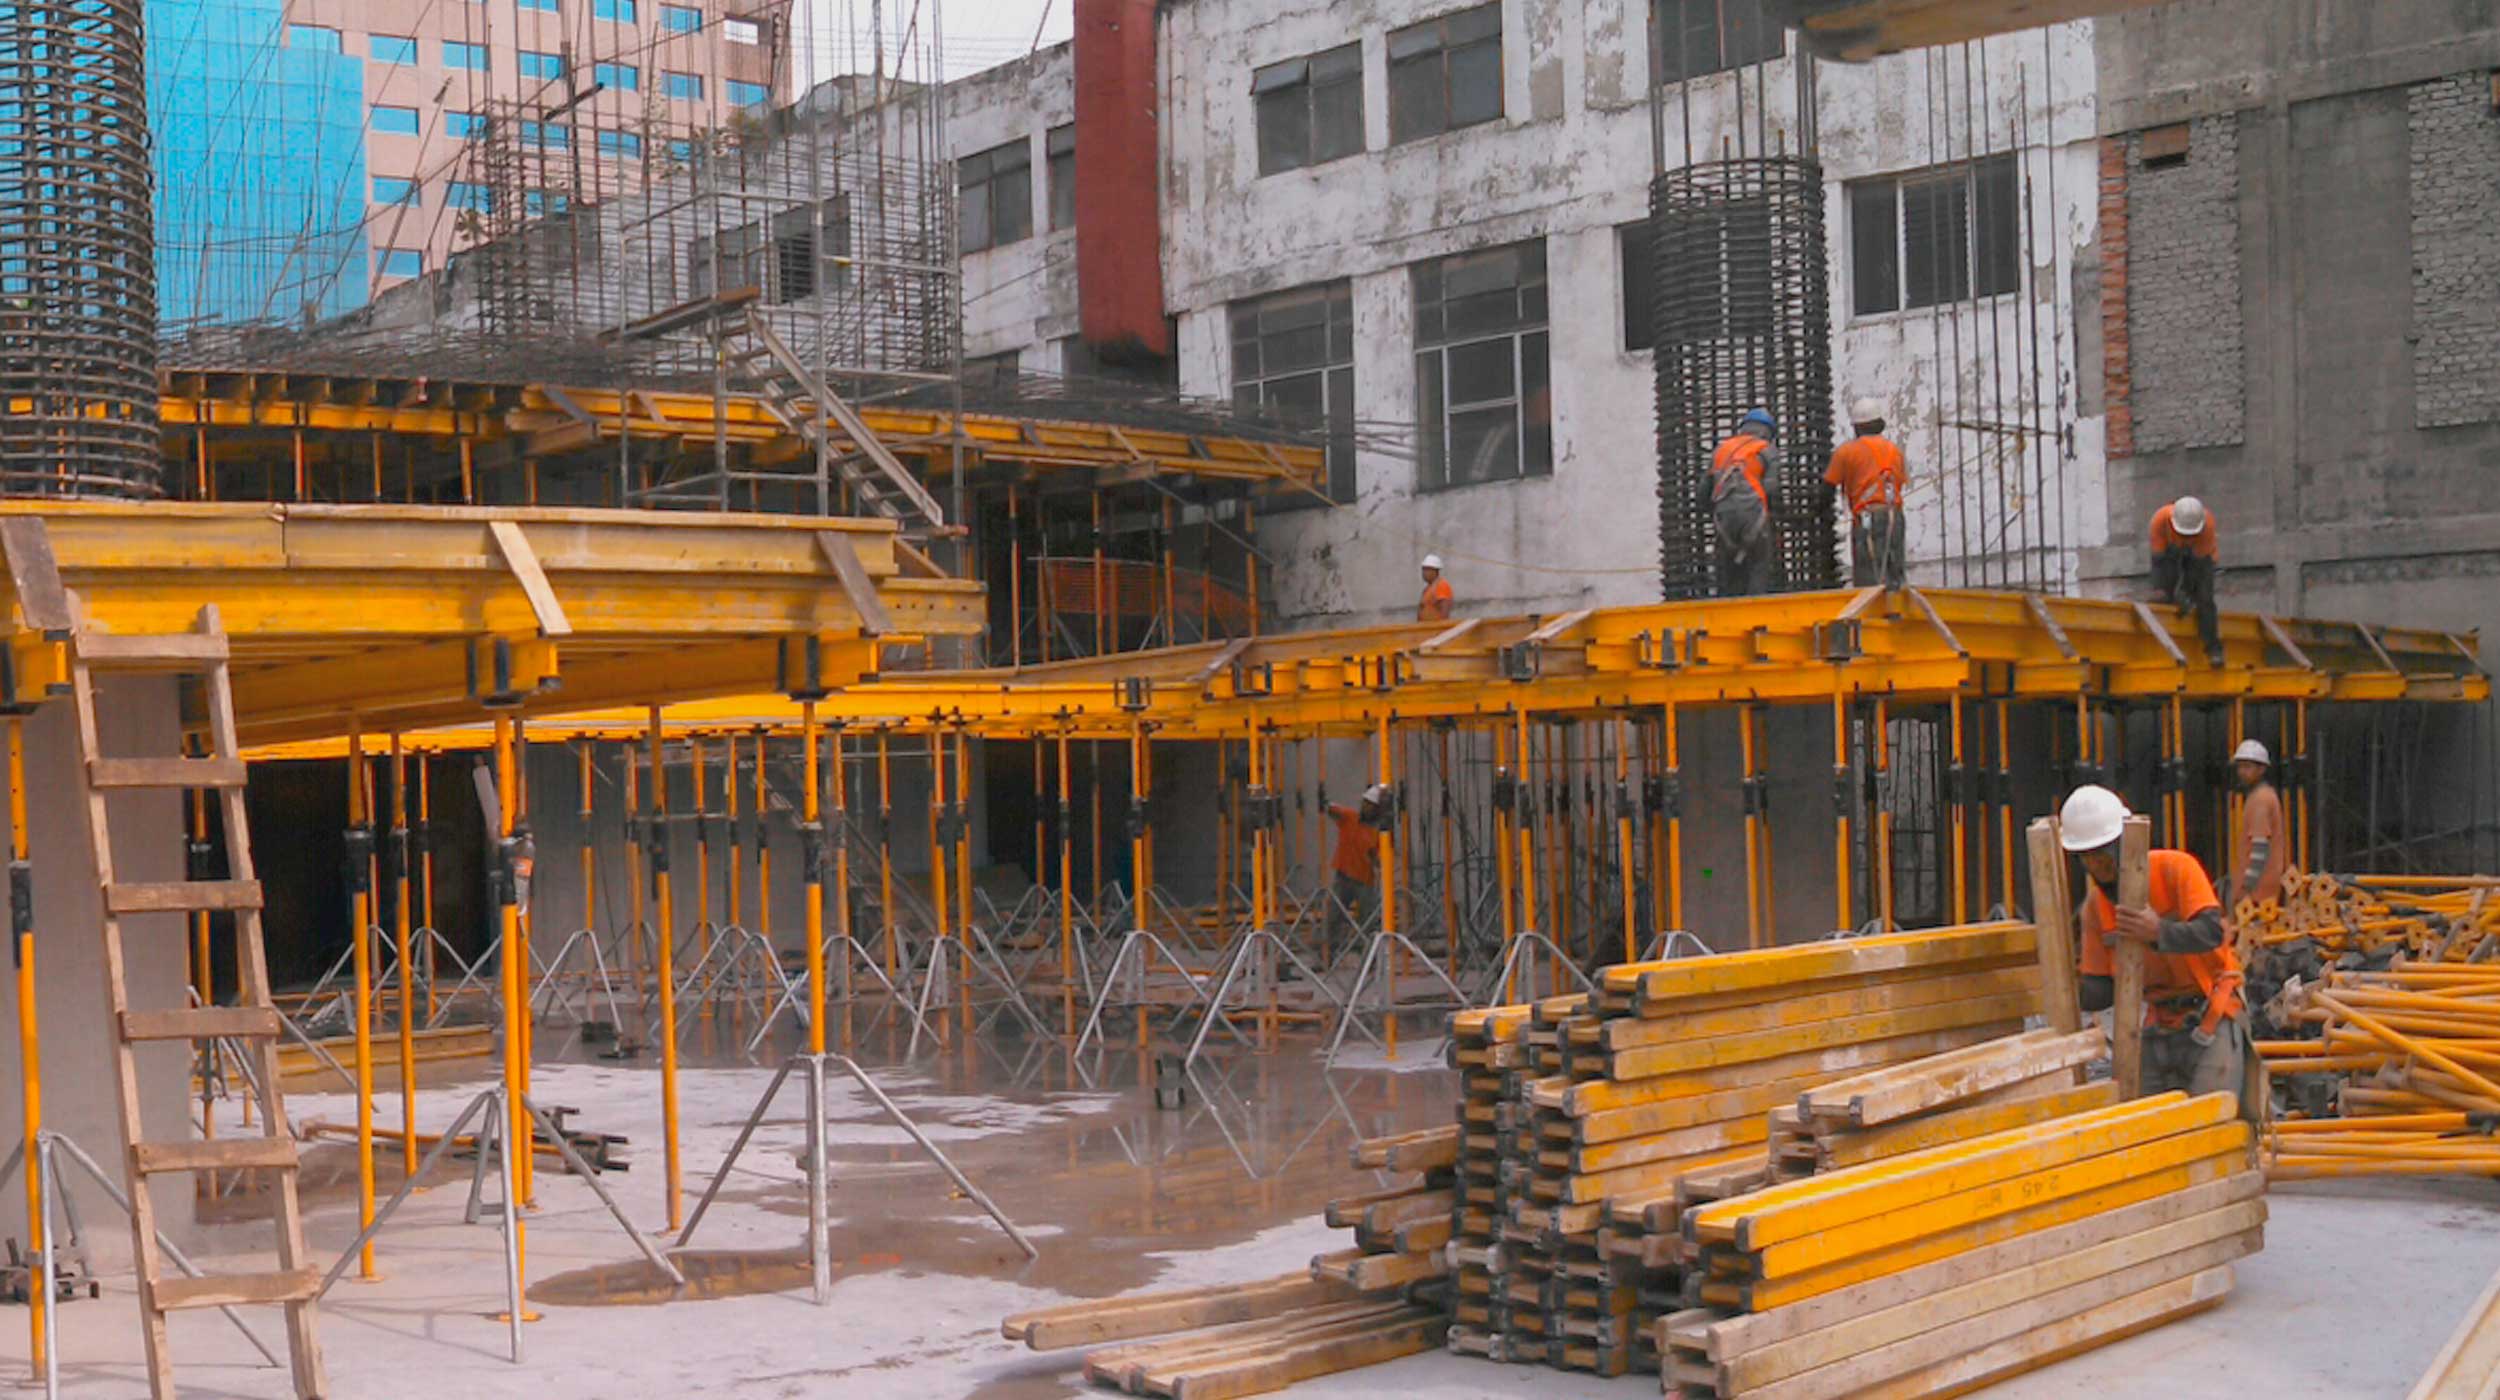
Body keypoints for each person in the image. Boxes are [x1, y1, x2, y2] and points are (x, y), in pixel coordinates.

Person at [2058, 784, 2247, 1101]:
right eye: (2087, 857)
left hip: (2210, 1011)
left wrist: (2159, 932)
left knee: (2212, 1123)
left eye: (2102, 852)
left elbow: (2212, 932)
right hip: (2157, 1023)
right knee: (2146, 1127)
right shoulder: (2095, 907)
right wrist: (2055, 984)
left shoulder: (2176, 869)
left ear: (2123, 842)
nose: (2096, 864)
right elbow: (2101, 988)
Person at [1825, 397, 1908, 589]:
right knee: (1894, 571)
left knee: (1868, 576)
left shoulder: (1847, 451)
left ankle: (1873, 615)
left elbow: (1827, 487)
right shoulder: (1895, 451)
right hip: (1895, 516)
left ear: (1856, 427)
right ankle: (1895, 611)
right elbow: (1900, 482)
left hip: (1867, 519)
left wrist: (1821, 514)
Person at [1712, 408, 1781, 597]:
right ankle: (1755, 616)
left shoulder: (1721, 450)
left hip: (1723, 519)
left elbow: (1704, 490)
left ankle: (1730, 613)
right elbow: (1772, 489)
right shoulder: (1766, 450)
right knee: (1758, 565)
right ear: (1768, 433)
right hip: (1753, 517)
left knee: (1730, 572)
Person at [2150, 495, 2222, 666]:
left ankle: (2213, 648)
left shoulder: (2207, 525)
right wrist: (2161, 589)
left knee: (2204, 599)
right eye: (2183, 534)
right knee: (2163, 595)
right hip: (2169, 551)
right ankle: (2163, 641)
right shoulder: (2159, 521)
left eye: (2191, 534)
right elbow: (2159, 561)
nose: (2187, 537)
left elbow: (2197, 569)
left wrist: (2186, 593)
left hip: (2200, 557)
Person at [2228, 739, 2287, 912]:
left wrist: (2247, 886)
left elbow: (2260, 848)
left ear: (2261, 769)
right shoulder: (2263, 796)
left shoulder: (2260, 800)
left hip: (2258, 892)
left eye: (2247, 767)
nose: (2242, 772)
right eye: (2240, 767)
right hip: (2263, 888)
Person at [1324, 785, 1385, 945]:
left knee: (1366, 919)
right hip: (1343, 876)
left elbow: (1379, 860)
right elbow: (1333, 810)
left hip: (1364, 880)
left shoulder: (1378, 832)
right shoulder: (1350, 818)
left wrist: (1375, 857)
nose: (1366, 807)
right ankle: (1331, 950)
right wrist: (1326, 804)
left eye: (1370, 804)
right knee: (1334, 916)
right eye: (1365, 803)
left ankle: (1365, 951)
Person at [1417, 554, 1454, 622]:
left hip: (1436, 630)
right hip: (1426, 629)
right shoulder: (1426, 590)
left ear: (1435, 571)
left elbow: (1444, 612)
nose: (1424, 573)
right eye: (1423, 569)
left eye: (1427, 569)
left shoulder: (1441, 585)